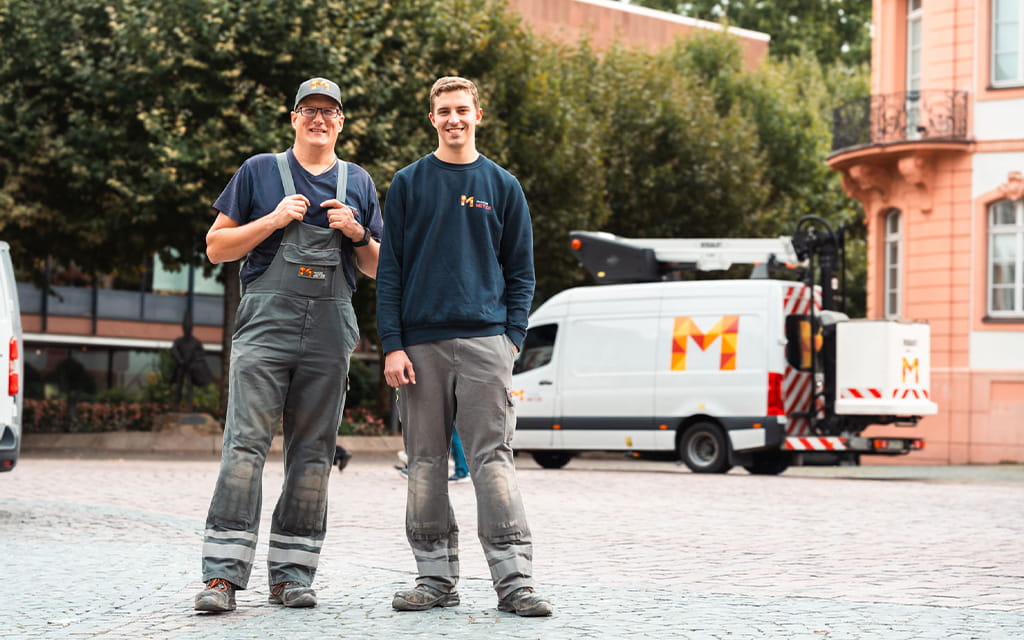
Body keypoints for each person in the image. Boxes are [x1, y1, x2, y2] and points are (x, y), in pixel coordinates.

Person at [194, 77, 382, 612]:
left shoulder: (359, 182)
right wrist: (274, 218)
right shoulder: (258, 171)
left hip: (329, 331)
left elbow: (376, 267)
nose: (319, 119)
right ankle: (222, 578)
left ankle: (293, 576)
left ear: (341, 122)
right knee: (244, 448)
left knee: (313, 455)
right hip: (265, 328)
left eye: (329, 111)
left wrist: (358, 234)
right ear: (293, 118)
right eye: (309, 110)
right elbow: (215, 248)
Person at [376, 76, 552, 617]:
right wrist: (392, 345)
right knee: (426, 464)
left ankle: (514, 581)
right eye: (443, 111)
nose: (453, 119)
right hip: (420, 349)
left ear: (478, 114)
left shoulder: (503, 186)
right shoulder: (408, 183)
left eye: (462, 110)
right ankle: (434, 579)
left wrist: (512, 340)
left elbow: (521, 272)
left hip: (485, 344)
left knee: (492, 462)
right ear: (432, 118)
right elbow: (390, 273)